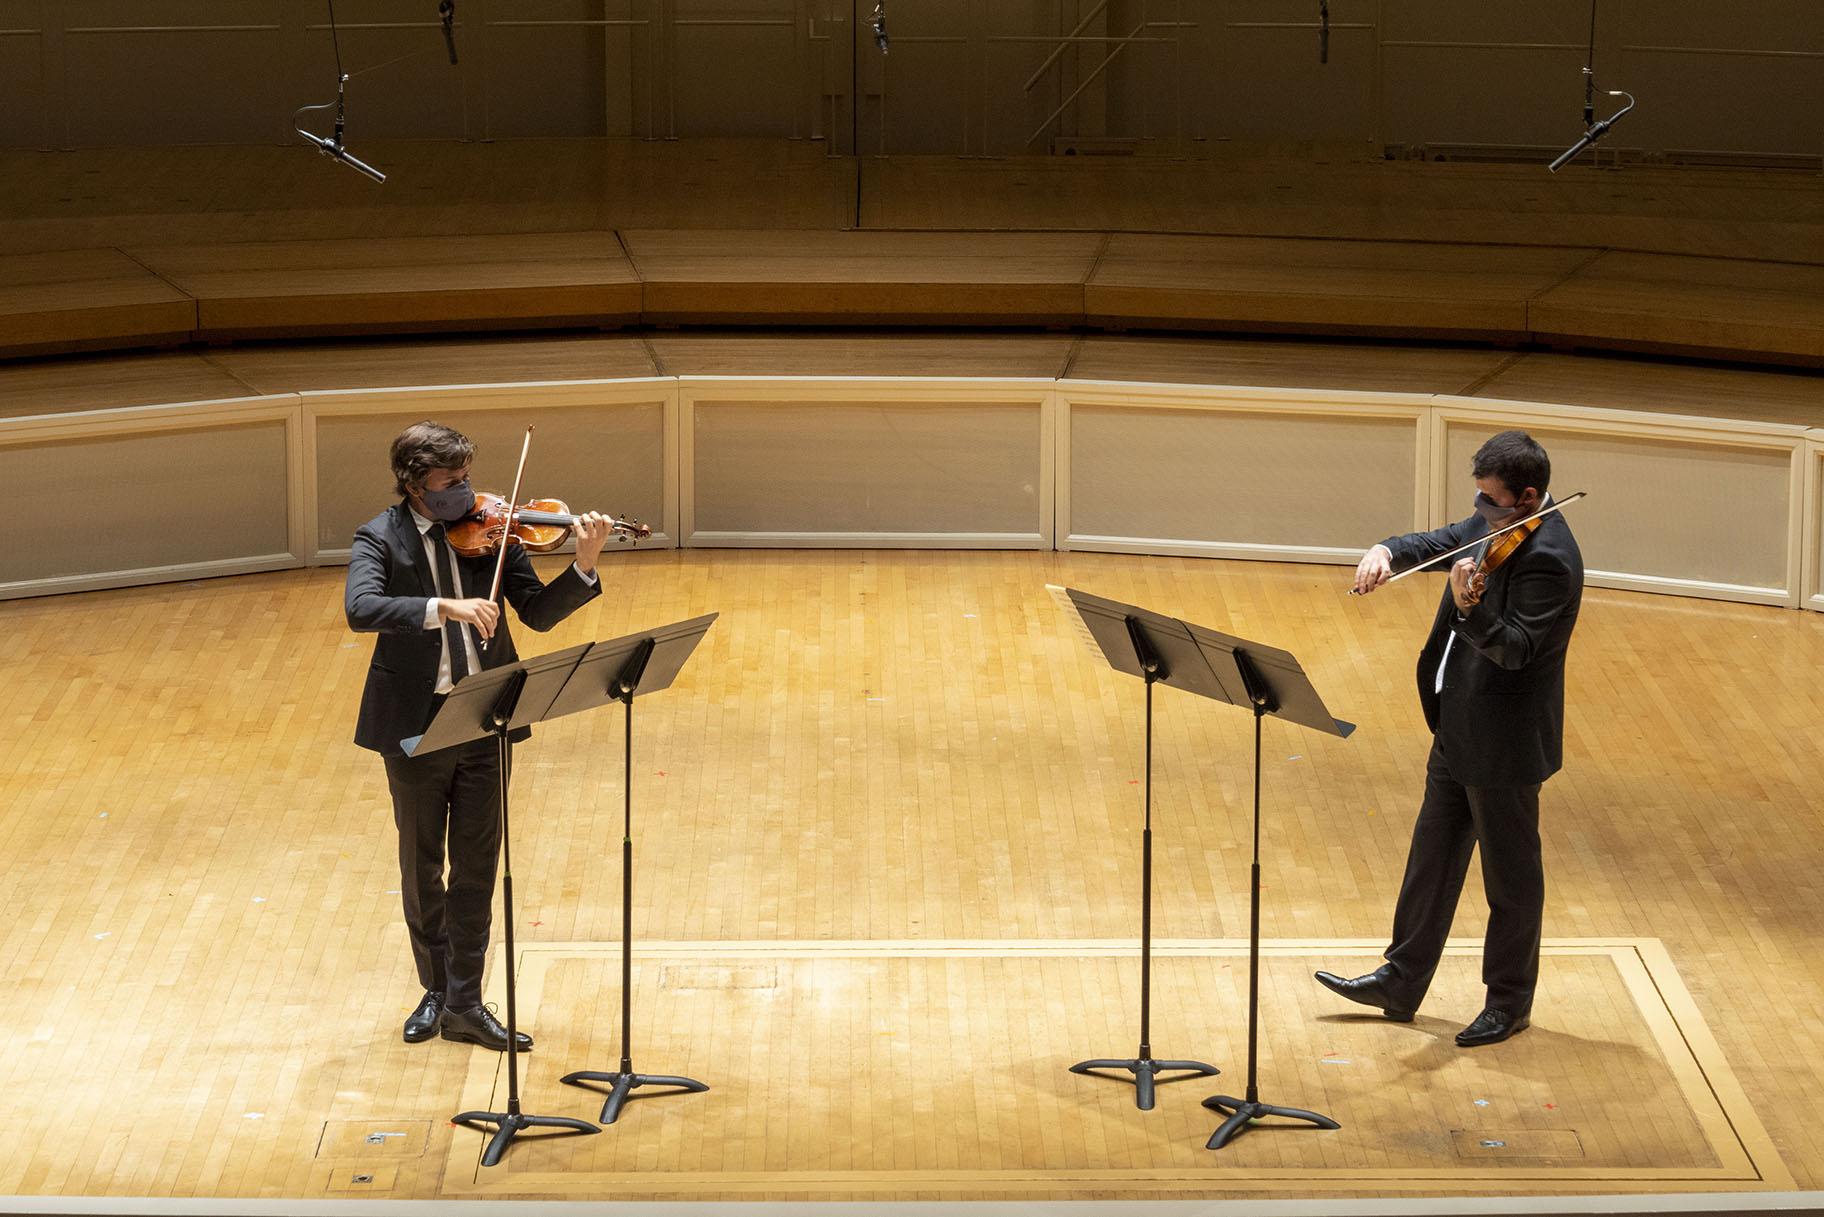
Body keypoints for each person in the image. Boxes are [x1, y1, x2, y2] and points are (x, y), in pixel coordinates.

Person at [346, 421, 612, 1050]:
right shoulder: (378, 538)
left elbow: (539, 615)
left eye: (467, 478)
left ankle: (466, 1000)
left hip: (487, 718)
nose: (465, 493)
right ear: (415, 485)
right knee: (422, 865)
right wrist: (445, 608)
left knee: (476, 865)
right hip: (414, 725)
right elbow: (361, 608)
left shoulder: (492, 532)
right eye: (449, 483)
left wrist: (585, 564)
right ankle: (435, 989)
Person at [1316, 430, 1583, 1047]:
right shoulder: (1494, 522)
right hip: (1459, 726)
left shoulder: (1550, 560)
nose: (1480, 510)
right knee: (1431, 859)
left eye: (1490, 499)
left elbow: (1515, 650)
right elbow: (1441, 541)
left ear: (1528, 497)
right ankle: (1401, 980)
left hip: (1506, 744)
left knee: (1511, 881)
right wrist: (1386, 550)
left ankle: (1509, 1003)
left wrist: (1470, 608)